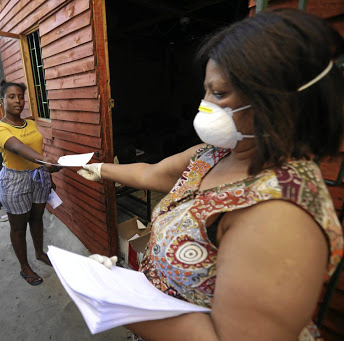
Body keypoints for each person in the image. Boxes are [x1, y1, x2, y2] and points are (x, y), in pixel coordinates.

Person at [78, 9, 344, 340]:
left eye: (218, 94)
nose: (204, 104)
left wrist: (116, 298)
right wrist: (100, 169)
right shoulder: (215, 154)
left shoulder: (278, 216)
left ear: (279, 102)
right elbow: (151, 174)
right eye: (206, 91)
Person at [0, 81, 61, 286]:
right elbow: (17, 147)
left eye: (21, 96)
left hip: (38, 176)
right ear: (2, 100)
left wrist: (50, 178)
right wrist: (46, 162)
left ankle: (39, 253)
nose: (18, 101)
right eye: (11, 97)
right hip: (15, 181)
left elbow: (36, 152)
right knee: (18, 227)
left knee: (37, 219)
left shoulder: (30, 123)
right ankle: (25, 266)